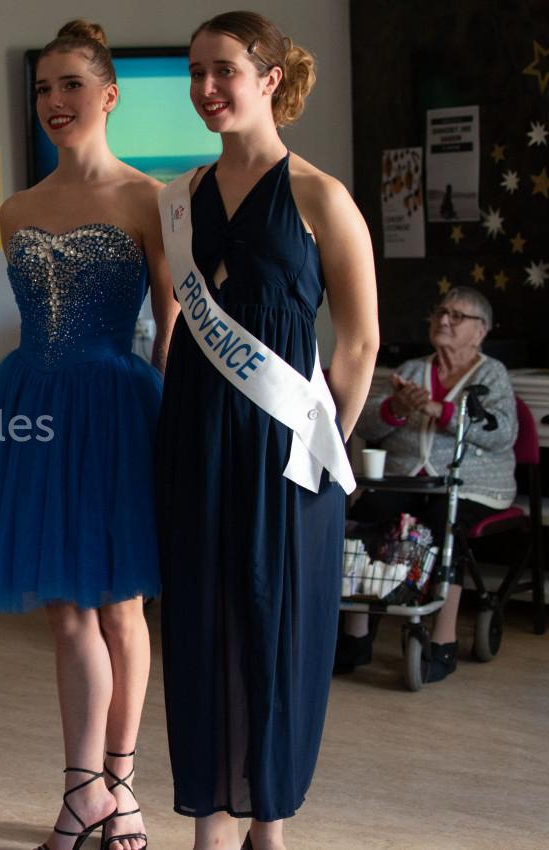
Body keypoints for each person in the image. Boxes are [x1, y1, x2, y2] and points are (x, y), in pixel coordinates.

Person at [0, 21, 174, 850]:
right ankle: (80, 793)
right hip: (33, 408)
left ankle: (123, 789)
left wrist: (173, 428)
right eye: (43, 88)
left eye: (72, 85)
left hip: (117, 413)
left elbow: (169, 327)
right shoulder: (18, 206)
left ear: (109, 95)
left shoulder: (150, 198)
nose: (55, 101)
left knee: (123, 609)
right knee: (65, 614)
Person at [154, 13, 379, 850]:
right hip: (194, 435)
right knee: (199, 622)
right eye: (196, 72)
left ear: (270, 78)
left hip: (287, 452)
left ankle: (270, 821)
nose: (206, 88)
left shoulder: (320, 196)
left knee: (274, 625)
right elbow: (176, 327)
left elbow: (359, 342)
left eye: (223, 70)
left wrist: (323, 446)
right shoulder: (177, 200)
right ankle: (212, 819)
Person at [340, 286, 516, 682]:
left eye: (457, 316)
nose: (444, 321)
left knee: (444, 525)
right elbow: (365, 425)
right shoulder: (413, 370)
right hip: (408, 481)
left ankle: (443, 641)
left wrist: (444, 412)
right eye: (440, 312)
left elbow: (503, 433)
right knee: (366, 515)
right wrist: (396, 408)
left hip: (470, 486)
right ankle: (355, 636)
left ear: (480, 331)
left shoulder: (492, 374)